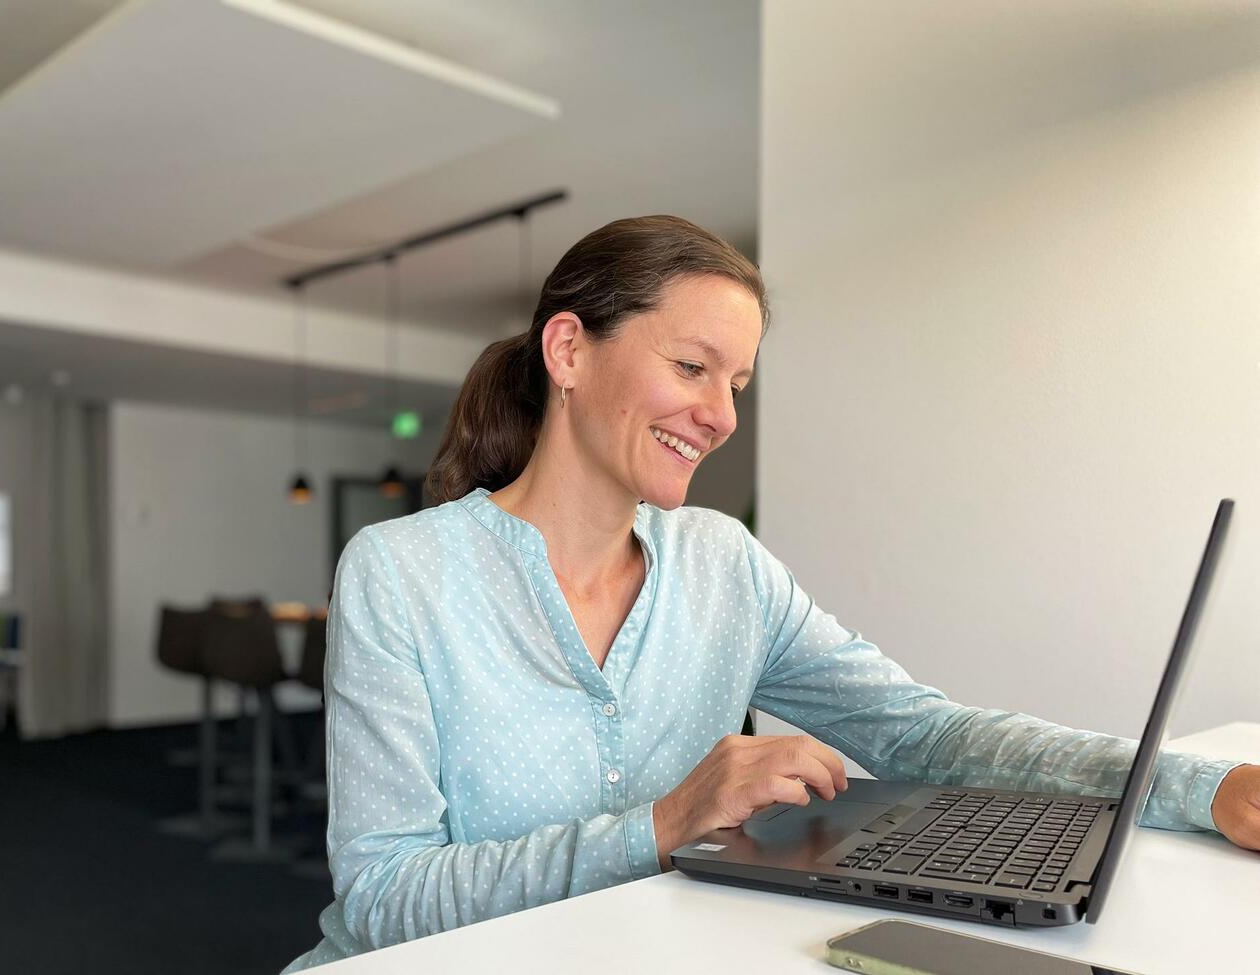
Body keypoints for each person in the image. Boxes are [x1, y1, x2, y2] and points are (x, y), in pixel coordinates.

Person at [283, 215, 1258, 972]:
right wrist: (661, 828)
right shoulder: (399, 573)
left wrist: (1199, 788)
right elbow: (382, 898)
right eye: (692, 366)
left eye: (738, 382)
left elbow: (925, 735)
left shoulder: (725, 565)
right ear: (569, 350)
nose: (720, 415)